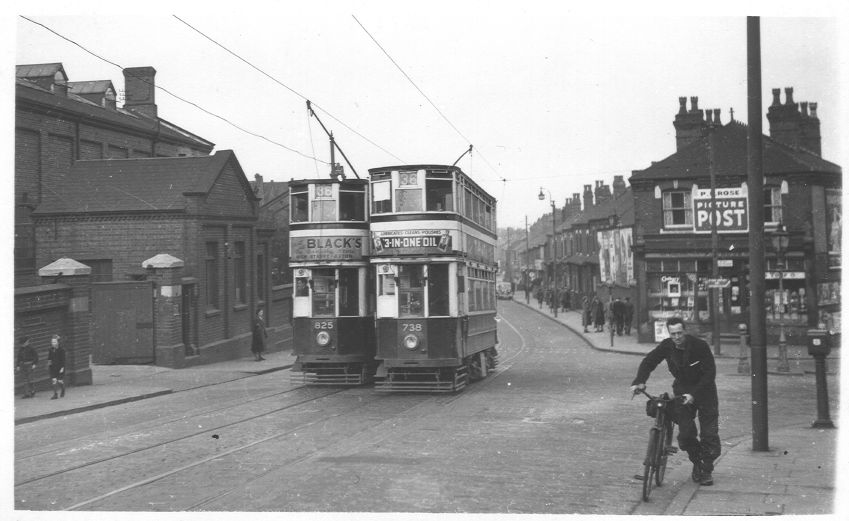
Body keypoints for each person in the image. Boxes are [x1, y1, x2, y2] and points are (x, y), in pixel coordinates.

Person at [629, 316, 719, 486]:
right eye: (673, 334)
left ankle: (706, 470)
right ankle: (698, 461)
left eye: (679, 333)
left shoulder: (700, 346)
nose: (677, 338)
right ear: (669, 334)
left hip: (705, 392)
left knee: (709, 435)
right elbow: (649, 361)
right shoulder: (667, 346)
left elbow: (710, 374)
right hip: (682, 391)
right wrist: (640, 381)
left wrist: (694, 394)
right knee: (685, 435)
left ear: (685, 331)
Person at [47, 334, 66, 399]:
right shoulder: (50, 350)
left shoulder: (61, 350)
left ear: (58, 342)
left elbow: (63, 360)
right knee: (54, 380)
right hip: (53, 367)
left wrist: (62, 368)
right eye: (52, 342)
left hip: (60, 367)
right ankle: (55, 394)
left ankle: (63, 389)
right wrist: (49, 365)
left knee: (60, 381)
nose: (53, 343)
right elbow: (49, 358)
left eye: (54, 342)